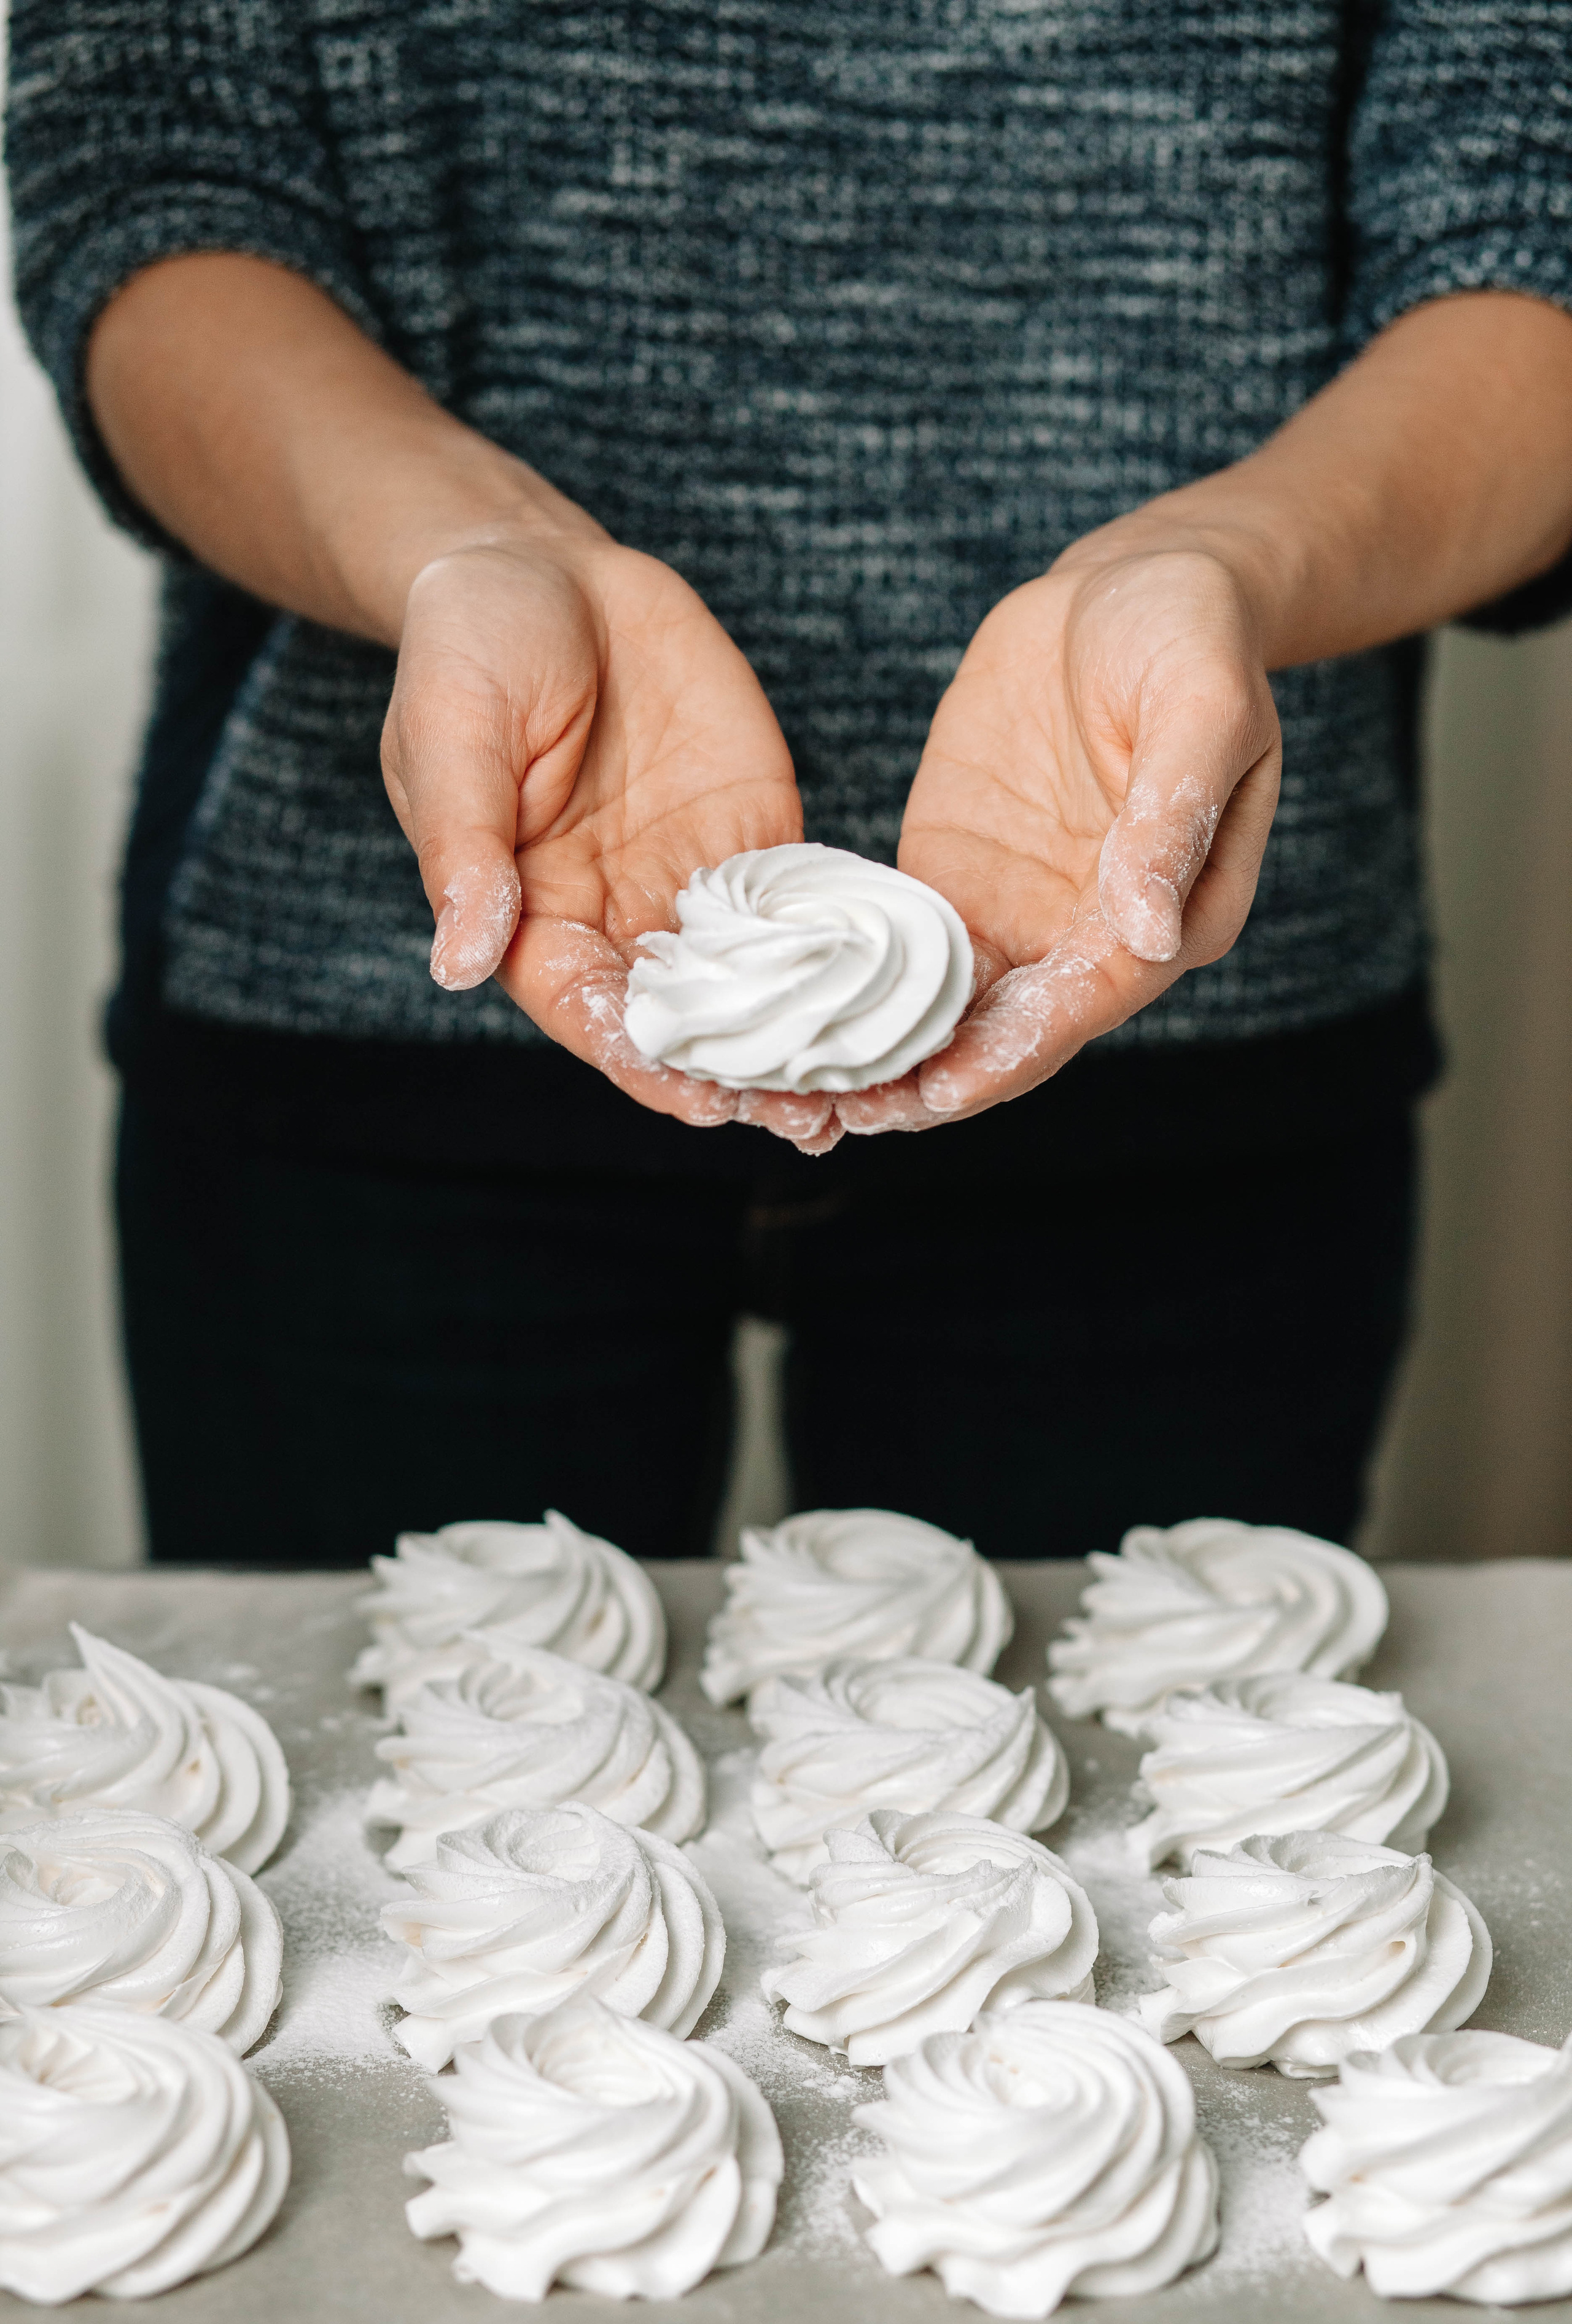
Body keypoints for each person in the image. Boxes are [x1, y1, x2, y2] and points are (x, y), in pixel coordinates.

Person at [7, 4, 1572, 1565]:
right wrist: (468, 550)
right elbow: (152, 184)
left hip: (1155, 1024)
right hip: (362, 1024)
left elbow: (1530, 226)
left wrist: (1224, 561)